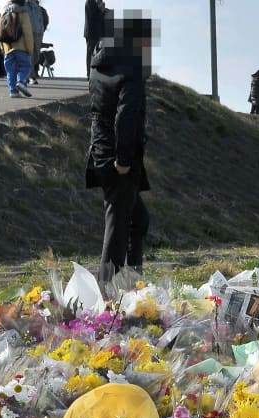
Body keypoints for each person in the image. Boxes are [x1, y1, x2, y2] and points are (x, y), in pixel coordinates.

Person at [86, 13, 152, 289]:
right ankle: (107, 297)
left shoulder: (99, 65)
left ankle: (134, 282)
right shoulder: (131, 69)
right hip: (118, 161)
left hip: (99, 152)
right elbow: (125, 117)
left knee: (139, 219)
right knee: (116, 230)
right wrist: (123, 160)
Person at [0, 0, 34, 97]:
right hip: (21, 48)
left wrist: (2, 48)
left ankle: (13, 92)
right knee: (25, 66)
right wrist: (30, 49)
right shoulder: (23, 13)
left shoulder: (3, 14)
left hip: (7, 49)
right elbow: (28, 33)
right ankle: (21, 82)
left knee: (10, 71)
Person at [24, 0, 45, 83]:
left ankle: (28, 75)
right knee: (30, 54)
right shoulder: (25, 5)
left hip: (38, 33)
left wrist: (41, 32)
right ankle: (31, 77)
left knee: (36, 55)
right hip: (28, 32)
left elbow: (41, 21)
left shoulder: (38, 8)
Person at [83, 0, 105, 67]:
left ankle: (93, 73)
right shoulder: (90, 1)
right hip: (91, 33)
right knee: (91, 54)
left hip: (96, 33)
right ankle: (89, 74)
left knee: (96, 54)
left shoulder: (95, 1)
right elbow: (94, 16)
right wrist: (101, 10)